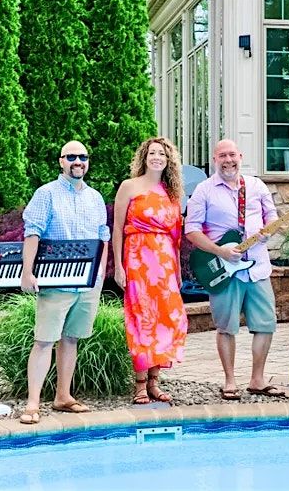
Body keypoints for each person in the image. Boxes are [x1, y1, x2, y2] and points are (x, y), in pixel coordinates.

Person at [185, 139, 284, 399]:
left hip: (257, 267)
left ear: (240, 156)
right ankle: (229, 381)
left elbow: (272, 217)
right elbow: (192, 230)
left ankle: (257, 379)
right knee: (226, 327)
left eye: (232, 155)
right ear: (214, 160)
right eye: (222, 156)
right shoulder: (204, 190)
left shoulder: (256, 185)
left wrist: (268, 231)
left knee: (266, 325)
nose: (228, 160)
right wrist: (220, 252)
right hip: (224, 270)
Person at [19, 140, 109, 424]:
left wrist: (99, 275)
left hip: (87, 283)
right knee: (45, 340)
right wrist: (27, 272)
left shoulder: (95, 198)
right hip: (55, 280)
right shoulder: (46, 193)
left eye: (82, 156)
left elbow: (102, 238)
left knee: (71, 339)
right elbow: (32, 233)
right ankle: (33, 403)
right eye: (71, 157)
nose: (77, 161)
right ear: (61, 161)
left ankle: (63, 396)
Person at [113, 137, 188, 404]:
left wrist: (178, 271)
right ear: (144, 157)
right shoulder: (129, 186)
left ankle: (155, 382)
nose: (157, 157)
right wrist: (119, 266)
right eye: (152, 153)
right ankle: (140, 385)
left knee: (166, 319)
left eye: (162, 154)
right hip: (138, 260)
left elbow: (176, 237)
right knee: (142, 318)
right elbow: (117, 229)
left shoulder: (172, 193)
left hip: (165, 263)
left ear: (169, 161)